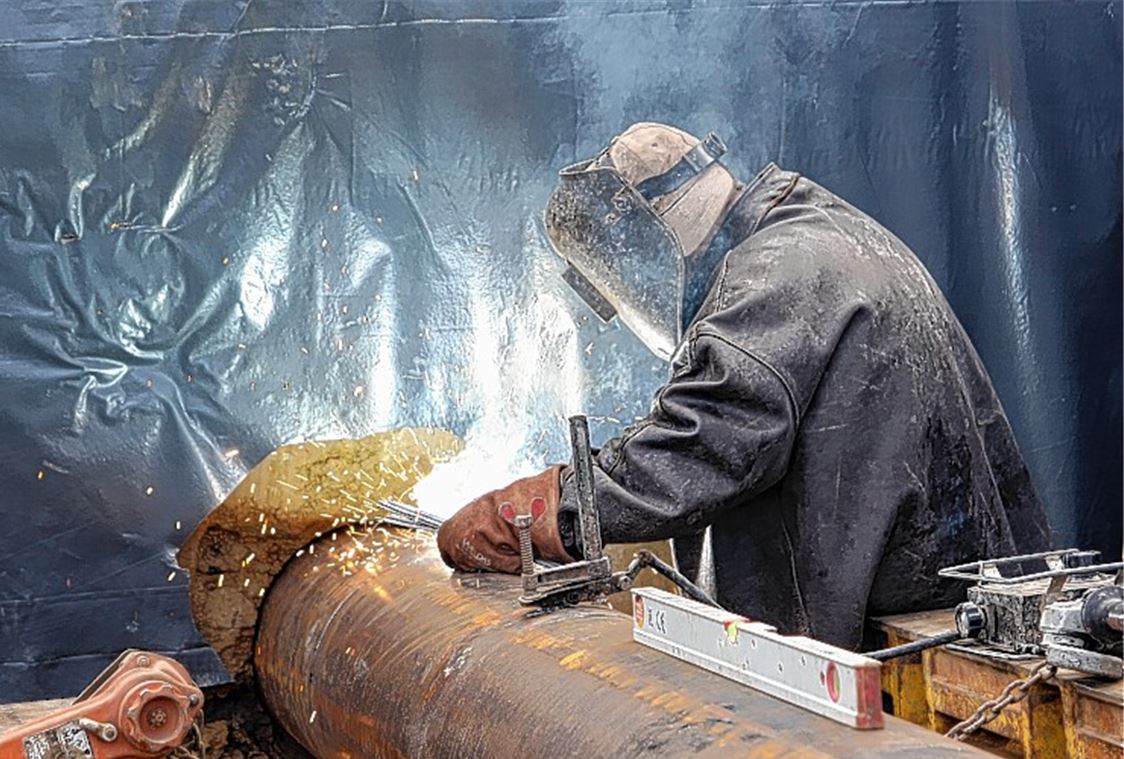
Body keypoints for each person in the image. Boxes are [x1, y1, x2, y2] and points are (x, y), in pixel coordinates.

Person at [436, 122, 1051, 650]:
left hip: (900, 626)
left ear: (642, 252)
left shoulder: (768, 280)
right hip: (960, 595)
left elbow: (699, 446)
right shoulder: (821, 227)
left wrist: (538, 510)